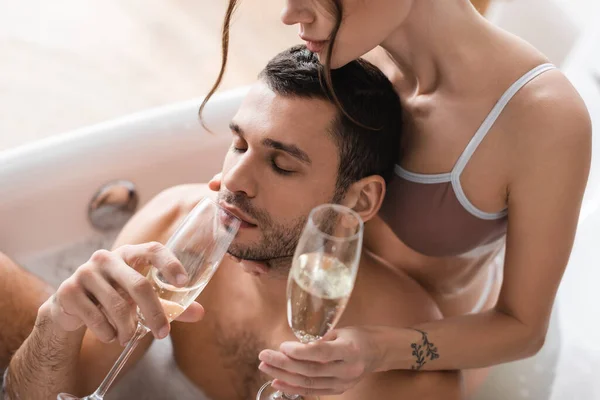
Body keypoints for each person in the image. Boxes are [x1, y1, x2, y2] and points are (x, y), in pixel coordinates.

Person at [3, 45, 464, 400]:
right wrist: (55, 322)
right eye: (240, 144)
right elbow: (54, 391)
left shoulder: (401, 368)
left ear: (359, 198)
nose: (232, 181)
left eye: (281, 164)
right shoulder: (171, 227)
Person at [202, 0, 592, 397]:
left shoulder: (542, 118)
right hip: (321, 320)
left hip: (430, 364)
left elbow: (523, 329)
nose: (290, 13)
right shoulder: (353, 48)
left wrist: (378, 350)